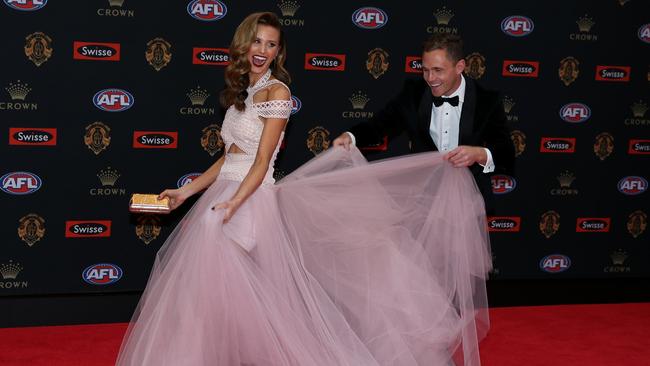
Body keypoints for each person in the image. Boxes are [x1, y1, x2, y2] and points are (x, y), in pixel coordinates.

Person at [116, 12, 491, 366]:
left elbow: (261, 162)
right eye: (257, 42)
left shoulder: (278, 93)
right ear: (243, 45)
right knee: (213, 296)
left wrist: (234, 204)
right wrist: (186, 193)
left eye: (272, 45)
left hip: (250, 200)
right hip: (224, 197)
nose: (263, 51)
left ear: (279, 51)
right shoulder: (242, 91)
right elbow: (229, 158)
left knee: (230, 295)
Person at [334, 33, 515, 213]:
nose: (430, 78)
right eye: (425, 70)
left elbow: (506, 152)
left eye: (438, 70)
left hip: (467, 204)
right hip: (421, 200)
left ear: (460, 66)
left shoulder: (487, 101)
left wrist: (479, 154)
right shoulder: (413, 94)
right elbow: (379, 125)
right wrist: (351, 136)